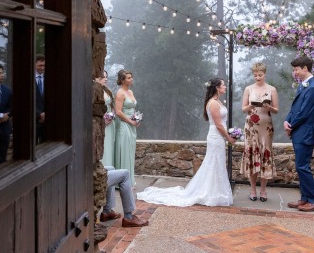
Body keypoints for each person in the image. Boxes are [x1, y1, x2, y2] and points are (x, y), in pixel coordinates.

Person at [137, 78, 236, 207]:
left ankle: (215, 191)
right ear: (217, 87)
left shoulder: (218, 102)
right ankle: (210, 192)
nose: (225, 87)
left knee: (217, 162)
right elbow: (218, 124)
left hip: (219, 136)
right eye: (223, 85)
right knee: (214, 162)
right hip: (216, 136)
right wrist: (229, 138)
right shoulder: (213, 103)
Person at [284, 56, 314, 212]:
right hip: (298, 131)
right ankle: (305, 198)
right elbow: (295, 108)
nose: (295, 72)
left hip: (305, 133)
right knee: (301, 167)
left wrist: (291, 126)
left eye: (296, 69)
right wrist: (287, 121)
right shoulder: (303, 86)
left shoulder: (313, 87)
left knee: (303, 166)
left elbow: (304, 113)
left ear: (305, 68)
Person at [240, 62, 279, 202]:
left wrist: (269, 107)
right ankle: (252, 190)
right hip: (251, 127)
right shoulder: (248, 89)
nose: (257, 77)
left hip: (266, 127)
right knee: (252, 155)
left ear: (265, 74)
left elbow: (276, 110)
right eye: (255, 75)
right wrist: (250, 105)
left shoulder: (272, 89)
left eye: (260, 75)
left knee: (264, 155)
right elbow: (243, 109)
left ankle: (263, 190)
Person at [114, 69, 139, 186]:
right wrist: (130, 121)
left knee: (130, 152)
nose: (131, 79)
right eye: (129, 78)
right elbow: (118, 112)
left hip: (132, 125)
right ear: (122, 80)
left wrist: (136, 119)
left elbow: (132, 108)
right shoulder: (120, 93)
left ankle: (129, 179)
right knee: (124, 151)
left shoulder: (131, 92)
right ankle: (123, 182)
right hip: (124, 125)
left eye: (131, 77)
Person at [96, 71, 116, 167]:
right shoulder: (94, 91)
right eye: (103, 77)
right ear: (97, 78)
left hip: (110, 124)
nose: (106, 79)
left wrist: (111, 115)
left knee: (109, 147)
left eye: (106, 77)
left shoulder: (107, 91)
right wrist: (103, 119)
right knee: (103, 146)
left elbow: (113, 106)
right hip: (100, 122)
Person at [35, 54, 46, 144]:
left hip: (47, 120)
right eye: (40, 65)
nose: (42, 68)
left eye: (44, 65)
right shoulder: (28, 79)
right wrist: (39, 114)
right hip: (33, 120)